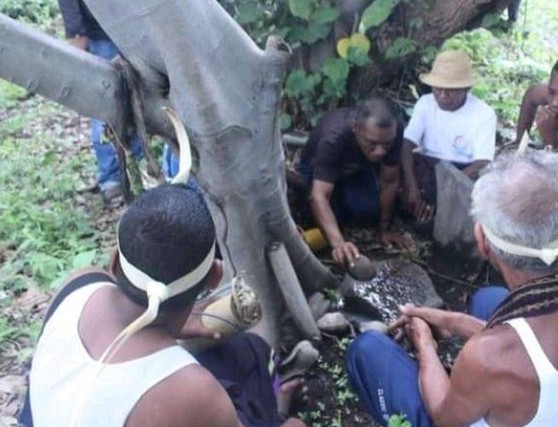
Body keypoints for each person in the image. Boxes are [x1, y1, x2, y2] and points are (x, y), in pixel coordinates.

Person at [346, 150, 558, 427]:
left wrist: (425, 344)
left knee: (367, 349)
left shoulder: (486, 358)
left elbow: (444, 418)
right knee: (489, 299)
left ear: (482, 241)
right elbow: (540, 351)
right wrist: (456, 322)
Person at [20, 184, 305, 427]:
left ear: (115, 261)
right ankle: (277, 411)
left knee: (243, 350)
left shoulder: (79, 284)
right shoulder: (193, 392)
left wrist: (177, 328)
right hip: (185, 404)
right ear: (213, 278)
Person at [295, 96, 410, 266]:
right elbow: (319, 195)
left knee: (368, 210)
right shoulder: (334, 137)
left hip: (356, 169)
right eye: (373, 143)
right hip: (318, 170)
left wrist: (384, 229)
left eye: (387, 144)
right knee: (330, 218)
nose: (380, 151)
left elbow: (390, 180)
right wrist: (339, 244)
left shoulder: (394, 131)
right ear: (356, 129)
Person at [58, 0, 144, 208]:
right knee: (105, 108)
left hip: (137, 29)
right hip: (103, 33)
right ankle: (113, 179)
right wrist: (76, 33)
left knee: (138, 102)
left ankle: (135, 173)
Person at [402, 50, 497, 222]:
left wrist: (444, 191)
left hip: (461, 171)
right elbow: (407, 145)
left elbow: (482, 162)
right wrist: (411, 186)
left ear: (466, 88)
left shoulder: (484, 114)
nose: (443, 96)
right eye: (438, 89)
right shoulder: (426, 103)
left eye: (451, 90)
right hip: (428, 165)